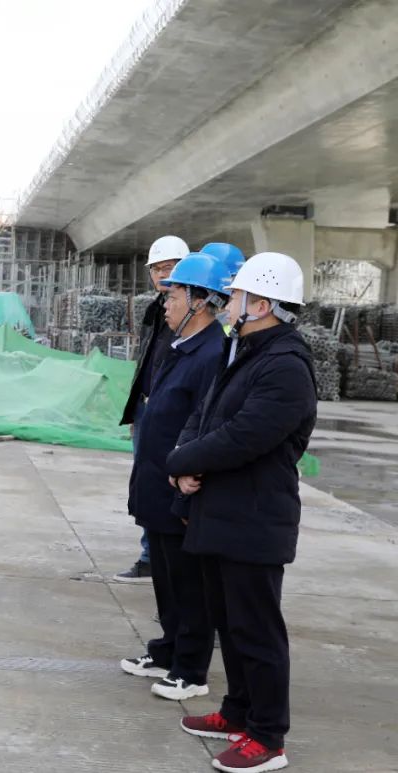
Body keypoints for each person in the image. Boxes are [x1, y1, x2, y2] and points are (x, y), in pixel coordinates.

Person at [169, 252, 316, 773]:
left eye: (236, 295)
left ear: (262, 303)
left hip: (254, 519)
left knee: (256, 630)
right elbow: (205, 416)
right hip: (221, 512)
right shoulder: (245, 351)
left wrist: (183, 461)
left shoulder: (286, 366)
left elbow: (243, 437)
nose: (229, 303)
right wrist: (182, 462)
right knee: (230, 625)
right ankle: (237, 712)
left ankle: (268, 736)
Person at [118, 253, 228, 700]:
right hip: (158, 484)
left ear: (199, 302)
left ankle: (191, 669)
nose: (165, 304)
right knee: (165, 578)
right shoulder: (181, 345)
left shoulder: (212, 354)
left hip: (181, 490)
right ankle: (168, 649)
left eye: (174, 296)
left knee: (189, 584)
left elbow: (206, 427)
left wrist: (185, 484)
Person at [115, 234, 190, 583]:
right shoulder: (154, 310)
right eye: (156, 269)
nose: (162, 274)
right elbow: (146, 361)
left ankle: (169, 556)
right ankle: (150, 555)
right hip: (148, 409)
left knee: (171, 482)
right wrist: (137, 408)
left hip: (175, 414)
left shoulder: (193, 314)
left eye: (169, 267)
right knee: (147, 481)